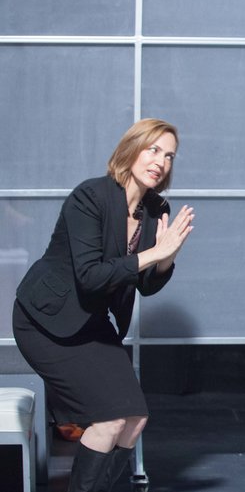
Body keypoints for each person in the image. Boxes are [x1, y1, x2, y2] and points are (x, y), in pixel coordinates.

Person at [13, 118, 195, 492]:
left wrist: (165, 259)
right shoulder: (90, 197)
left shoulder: (154, 210)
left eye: (170, 155)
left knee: (135, 419)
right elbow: (91, 276)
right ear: (131, 150)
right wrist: (154, 254)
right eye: (153, 149)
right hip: (45, 321)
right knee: (109, 420)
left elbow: (144, 285)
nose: (161, 161)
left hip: (91, 320)